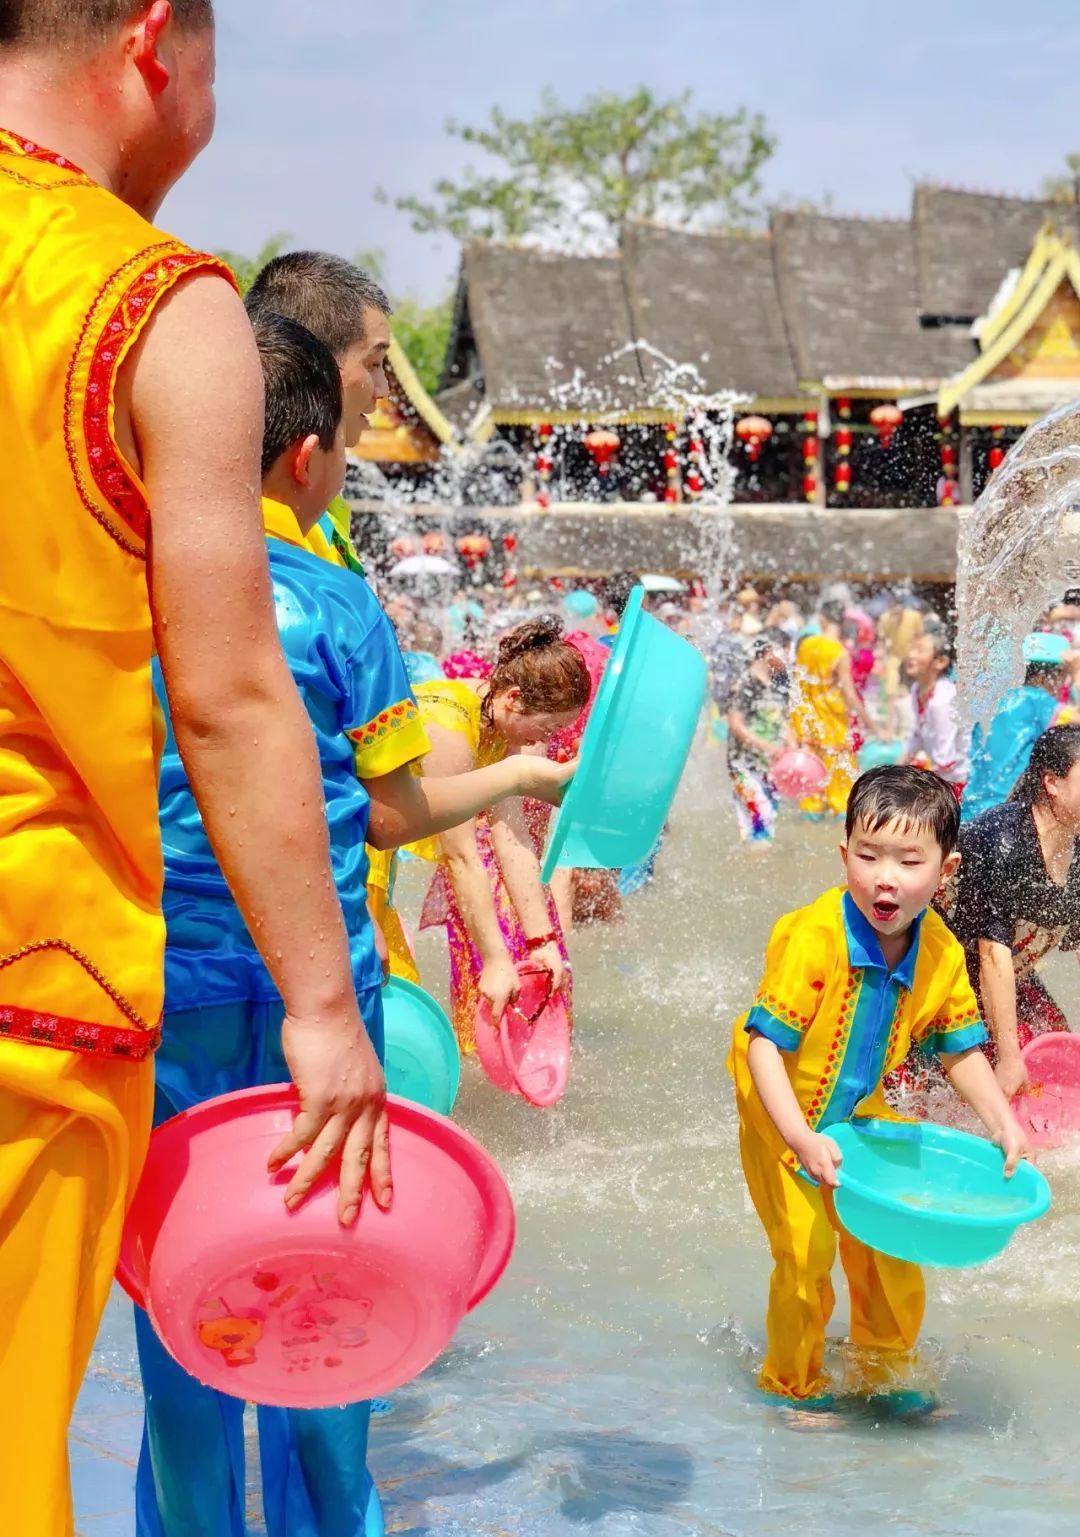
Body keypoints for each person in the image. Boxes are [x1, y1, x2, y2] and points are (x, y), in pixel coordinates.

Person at [0, 9, 388, 1528]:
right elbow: (226, 696)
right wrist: (324, 1009)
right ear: (156, 38)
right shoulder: (154, 304)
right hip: (38, 978)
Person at [139, 314, 574, 1536]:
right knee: (328, 1289)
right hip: (315, 987)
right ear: (305, 456)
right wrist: (520, 780)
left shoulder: (141, 584)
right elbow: (389, 813)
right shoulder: (336, 603)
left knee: (181, 1295)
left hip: (165, 982)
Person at [728, 766, 1026, 1410]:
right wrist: (799, 1137)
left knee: (890, 1245)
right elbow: (763, 1047)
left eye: (909, 861)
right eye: (868, 856)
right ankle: (794, 1386)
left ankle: (882, 1372)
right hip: (781, 1113)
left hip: (859, 1112)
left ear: (946, 871)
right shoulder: (816, 937)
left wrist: (1002, 1121)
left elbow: (958, 1048)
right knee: (806, 1255)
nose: (884, 877)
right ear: (845, 856)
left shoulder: (941, 952)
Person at [412, 619, 591, 1048]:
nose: (544, 740)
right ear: (514, 699)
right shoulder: (449, 727)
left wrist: (542, 940)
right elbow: (461, 856)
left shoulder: (502, 728)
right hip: (352, 847)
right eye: (545, 728)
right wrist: (495, 960)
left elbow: (511, 839)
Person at [937, 726, 1080, 1099]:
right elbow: (991, 954)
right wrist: (1008, 1056)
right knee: (948, 1094)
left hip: (1008, 979)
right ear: (1052, 783)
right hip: (940, 981)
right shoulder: (1001, 839)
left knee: (1059, 1063)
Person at [247, 251, 395, 574]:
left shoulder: (316, 512)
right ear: (307, 359)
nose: (384, 389)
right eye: (373, 364)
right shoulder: (270, 538)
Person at [962, 632, 1075, 821]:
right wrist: (1077, 672)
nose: (1061, 686)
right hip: (1005, 811)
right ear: (1043, 678)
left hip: (971, 808)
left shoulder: (996, 698)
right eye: (1061, 678)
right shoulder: (1037, 701)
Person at [792, 598, 877, 818]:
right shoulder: (839, 652)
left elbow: (797, 686)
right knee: (842, 793)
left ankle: (811, 815)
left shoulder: (806, 645)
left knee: (811, 784)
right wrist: (872, 724)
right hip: (834, 726)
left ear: (822, 619)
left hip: (808, 724)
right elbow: (849, 694)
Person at [726, 629, 792, 844]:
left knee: (765, 826)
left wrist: (792, 745)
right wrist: (766, 746)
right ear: (768, 650)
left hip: (770, 766)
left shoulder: (780, 684)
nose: (788, 656)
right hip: (742, 766)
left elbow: (784, 721)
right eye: (785, 650)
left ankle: (752, 858)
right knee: (761, 822)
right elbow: (736, 724)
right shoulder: (744, 683)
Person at [902, 631, 970, 793]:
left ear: (940, 662)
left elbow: (945, 760)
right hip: (941, 776)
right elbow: (917, 736)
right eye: (911, 649)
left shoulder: (942, 700)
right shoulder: (917, 690)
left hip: (959, 783)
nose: (911, 655)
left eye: (919, 650)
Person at [878, 591, 923, 738]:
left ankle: (920, 724)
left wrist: (917, 656)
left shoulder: (914, 617)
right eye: (892, 607)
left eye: (897, 608)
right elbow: (882, 640)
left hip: (911, 656)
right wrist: (882, 658)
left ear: (902, 607)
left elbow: (919, 638)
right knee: (890, 691)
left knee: (918, 689)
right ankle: (889, 728)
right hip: (895, 656)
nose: (894, 611)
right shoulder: (885, 618)